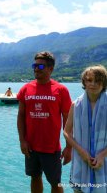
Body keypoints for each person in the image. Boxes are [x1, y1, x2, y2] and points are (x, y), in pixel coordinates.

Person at [17, 51, 72, 193]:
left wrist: (69, 147)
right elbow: (21, 116)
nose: (36, 69)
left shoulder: (61, 90)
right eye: (34, 65)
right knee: (34, 178)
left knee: (56, 183)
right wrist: (22, 141)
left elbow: (68, 120)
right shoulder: (25, 89)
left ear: (50, 69)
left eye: (40, 66)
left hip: (51, 148)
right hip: (31, 146)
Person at [64, 65, 107, 193]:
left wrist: (102, 155)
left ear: (104, 83)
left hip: (104, 160)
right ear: (84, 82)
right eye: (89, 80)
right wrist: (81, 152)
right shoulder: (76, 105)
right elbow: (66, 132)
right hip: (81, 159)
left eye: (98, 81)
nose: (93, 84)